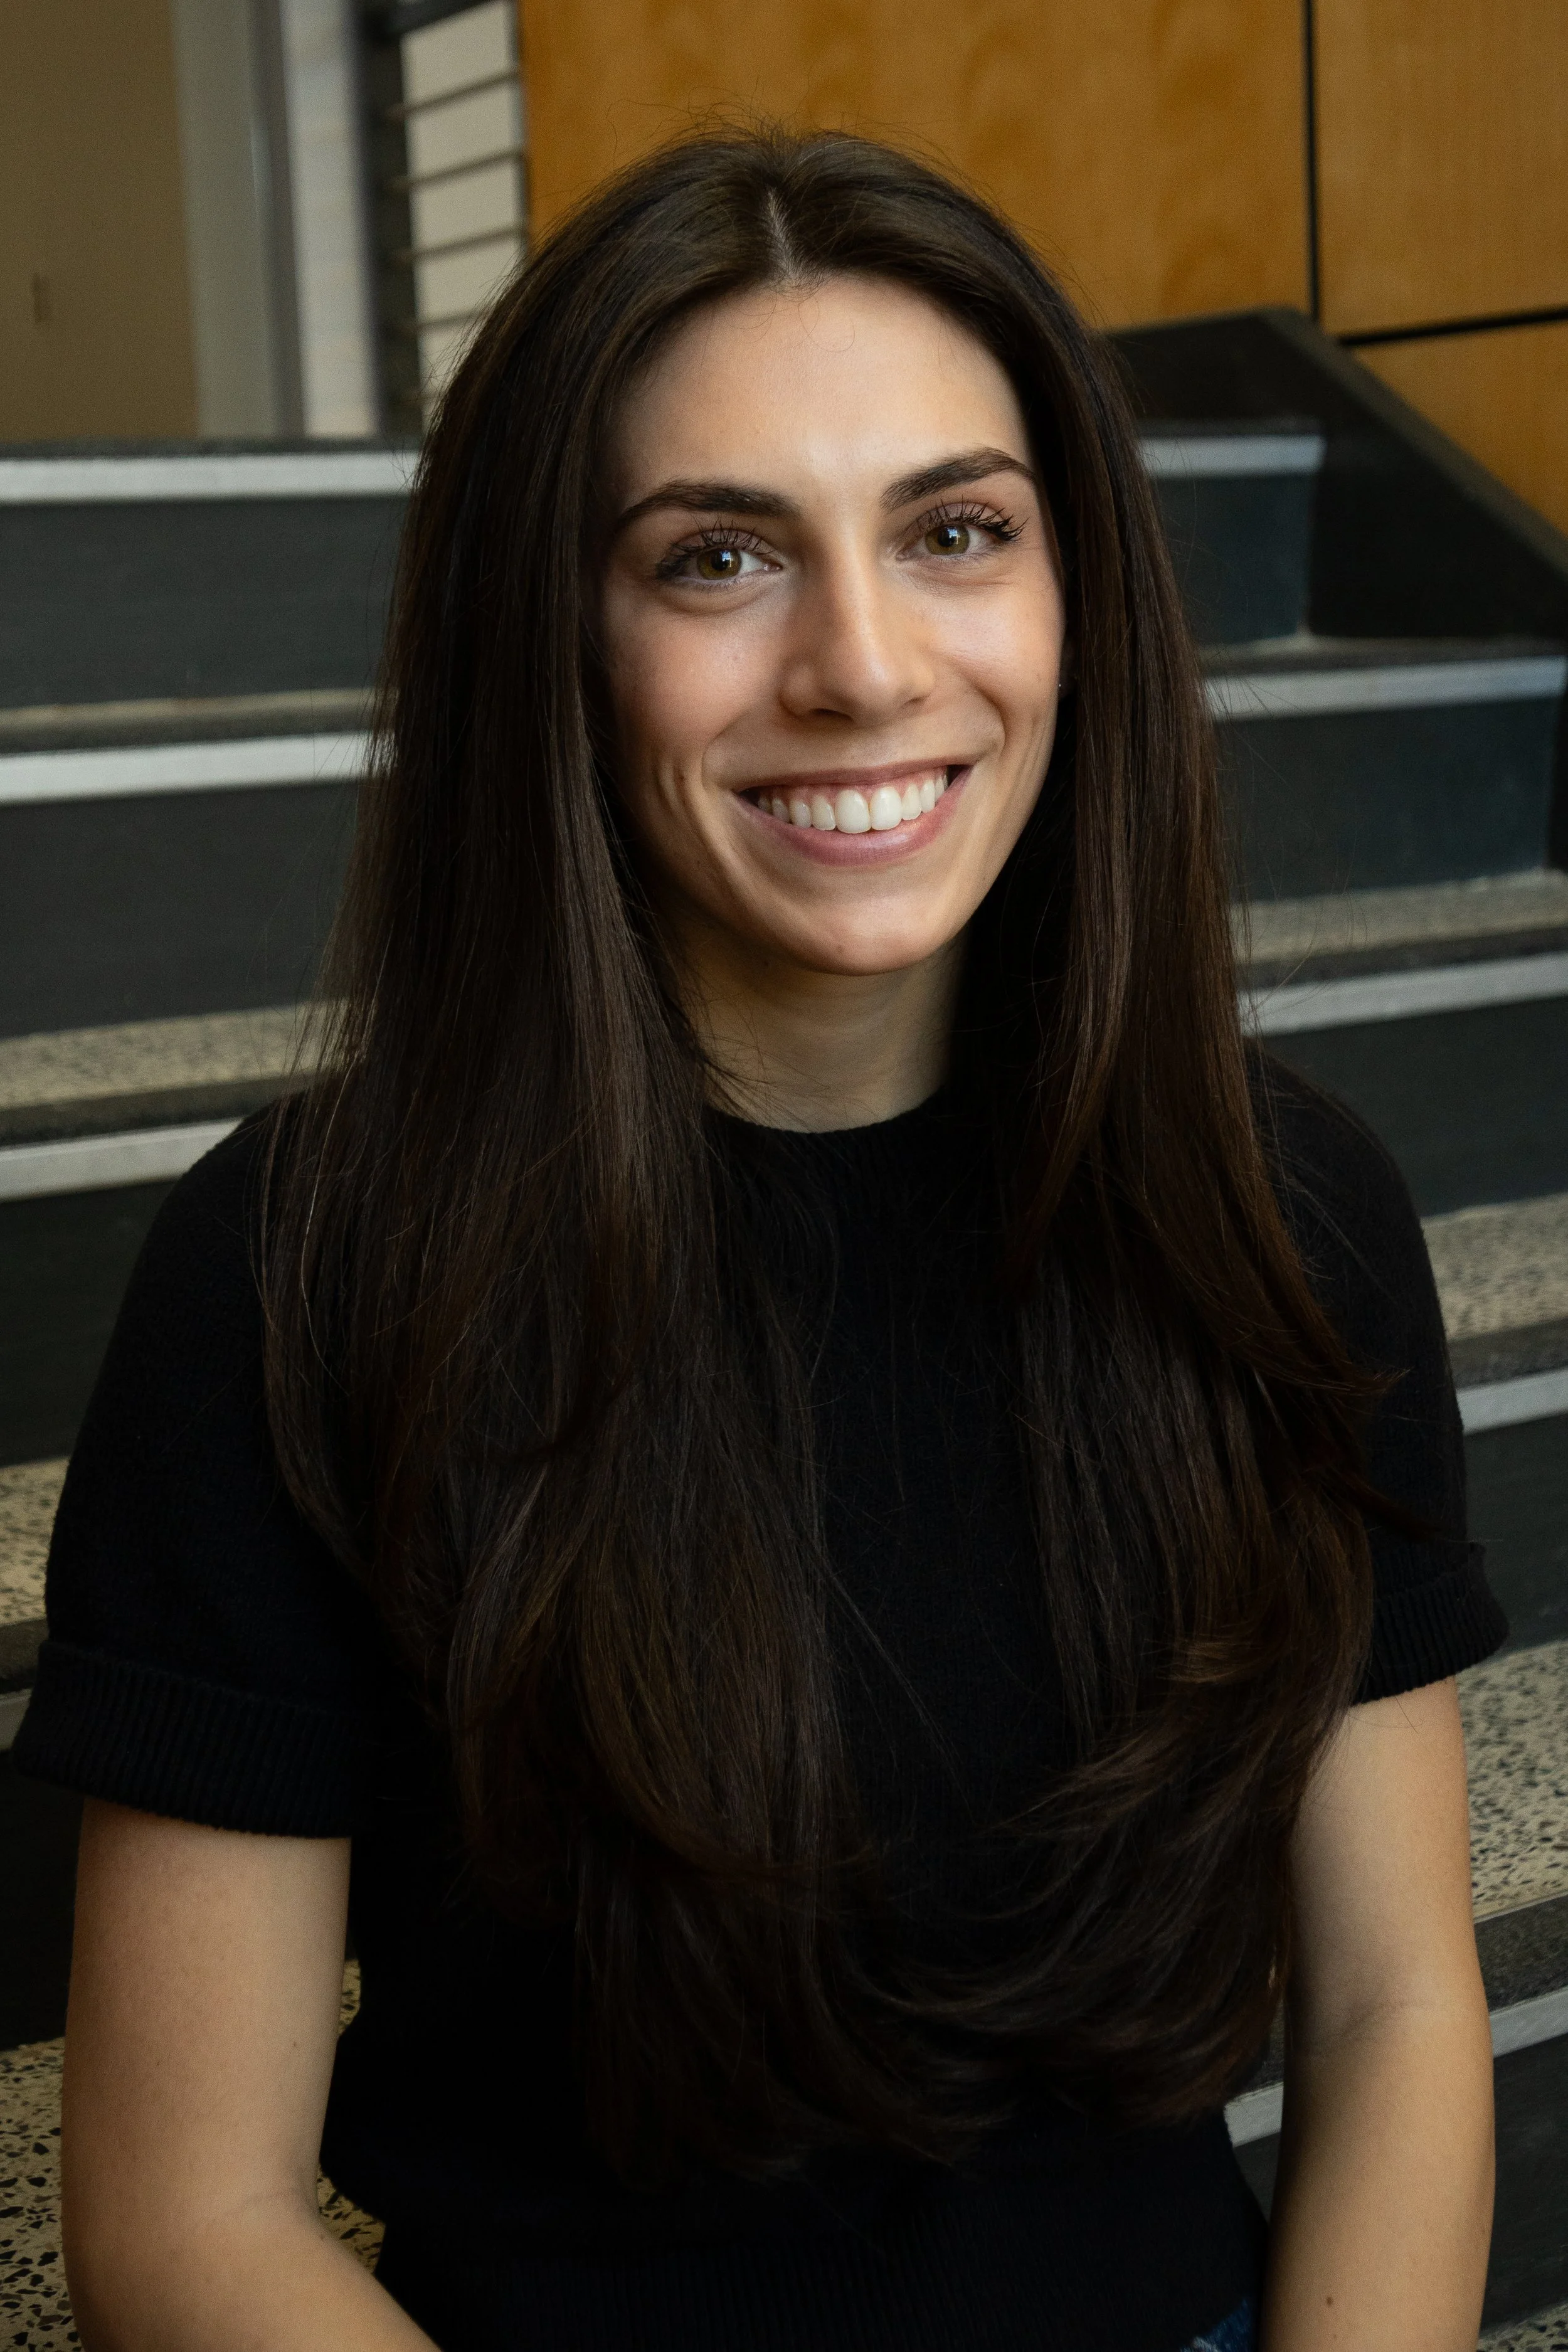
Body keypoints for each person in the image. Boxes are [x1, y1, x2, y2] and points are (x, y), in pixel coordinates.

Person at [19, 130, 1503, 2352]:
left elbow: (1391, 2008)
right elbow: (184, 2218)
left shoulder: (1279, 1210)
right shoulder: (298, 1272)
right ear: (556, 635)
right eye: (719, 556)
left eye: (957, 532)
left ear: (1073, 590)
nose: (864, 664)